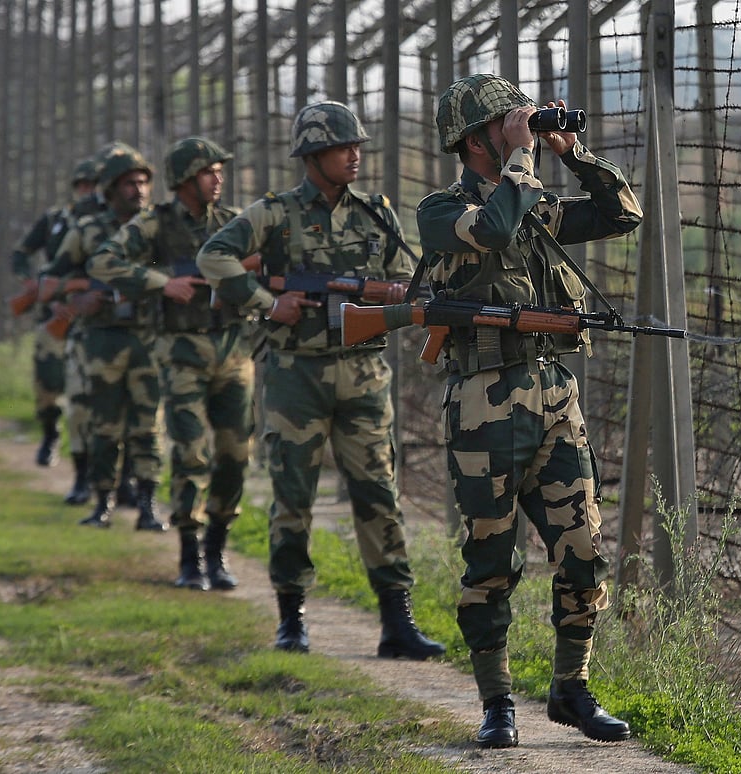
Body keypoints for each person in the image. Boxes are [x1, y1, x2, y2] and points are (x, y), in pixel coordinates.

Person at [417, 73, 642, 748]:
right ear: (473, 140)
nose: (522, 131)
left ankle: (572, 687)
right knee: (492, 561)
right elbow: (491, 230)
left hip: (552, 396)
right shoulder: (441, 210)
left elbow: (622, 215)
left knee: (583, 550)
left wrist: (573, 154)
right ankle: (496, 701)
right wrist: (521, 159)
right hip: (484, 404)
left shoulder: (534, 202)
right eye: (506, 123)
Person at [197, 100, 444, 659]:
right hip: (296, 376)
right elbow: (215, 257)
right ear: (312, 156)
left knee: (379, 494)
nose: (354, 155)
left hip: (364, 374)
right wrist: (267, 303)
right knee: (293, 497)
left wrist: (394, 296)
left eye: (357, 146)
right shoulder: (275, 213)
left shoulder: (377, 213)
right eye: (341, 147)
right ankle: (291, 619)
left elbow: (404, 279)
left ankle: (397, 623)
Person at [88, 137, 253, 591]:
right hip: (180, 352)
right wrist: (162, 283)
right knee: (189, 451)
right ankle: (189, 555)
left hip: (233, 350)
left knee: (235, 455)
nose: (217, 179)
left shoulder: (235, 222)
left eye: (219, 171)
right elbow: (103, 262)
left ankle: (217, 549)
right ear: (184, 180)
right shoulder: (155, 224)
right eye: (207, 172)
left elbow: (274, 263)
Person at [47, 142, 167, 532]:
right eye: (130, 183)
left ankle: (148, 505)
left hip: (147, 337)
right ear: (112, 188)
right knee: (104, 426)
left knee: (148, 426)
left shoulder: (158, 229)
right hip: (101, 340)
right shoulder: (87, 230)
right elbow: (51, 280)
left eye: (144, 182)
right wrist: (77, 297)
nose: (139, 190)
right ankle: (103, 502)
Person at [9, 157, 104, 470]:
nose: (88, 190)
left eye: (93, 185)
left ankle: (93, 458)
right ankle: (50, 434)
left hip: (91, 312)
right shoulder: (55, 219)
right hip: (53, 312)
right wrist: (33, 286)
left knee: (90, 390)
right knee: (48, 382)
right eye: (83, 185)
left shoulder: (107, 223)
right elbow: (21, 254)